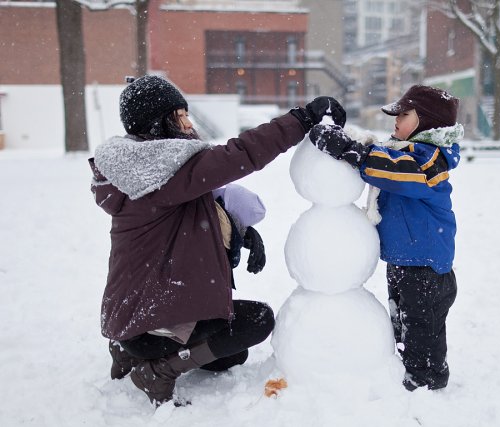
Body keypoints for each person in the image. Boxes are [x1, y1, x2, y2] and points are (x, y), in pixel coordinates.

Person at [90, 75, 346, 406]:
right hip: (150, 320)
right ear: (157, 124)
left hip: (133, 315)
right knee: (256, 321)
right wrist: (302, 119)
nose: (187, 124)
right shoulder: (160, 172)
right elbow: (241, 153)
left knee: (231, 357)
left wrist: (240, 231)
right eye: (179, 116)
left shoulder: (140, 172)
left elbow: (192, 208)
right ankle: (158, 371)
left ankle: (128, 348)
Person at [308, 85, 463, 391]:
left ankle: (427, 379)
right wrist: (346, 138)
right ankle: (406, 369)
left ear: (426, 121)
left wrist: (351, 152)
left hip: (427, 267)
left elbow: (395, 171)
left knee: (422, 328)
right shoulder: (401, 150)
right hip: (404, 260)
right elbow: (380, 154)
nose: (395, 120)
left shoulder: (431, 160)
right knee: (402, 323)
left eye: (404, 115)